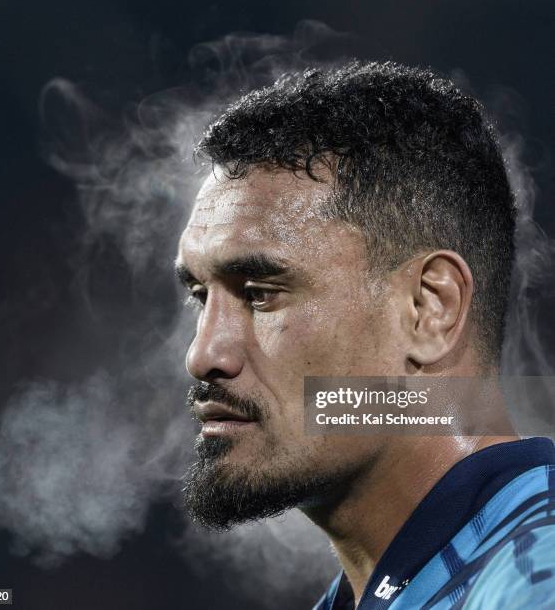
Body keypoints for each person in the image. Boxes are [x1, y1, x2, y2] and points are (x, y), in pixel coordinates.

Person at [174, 60, 555, 609]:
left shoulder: (532, 582)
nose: (203, 355)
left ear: (430, 309)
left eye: (260, 293)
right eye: (200, 296)